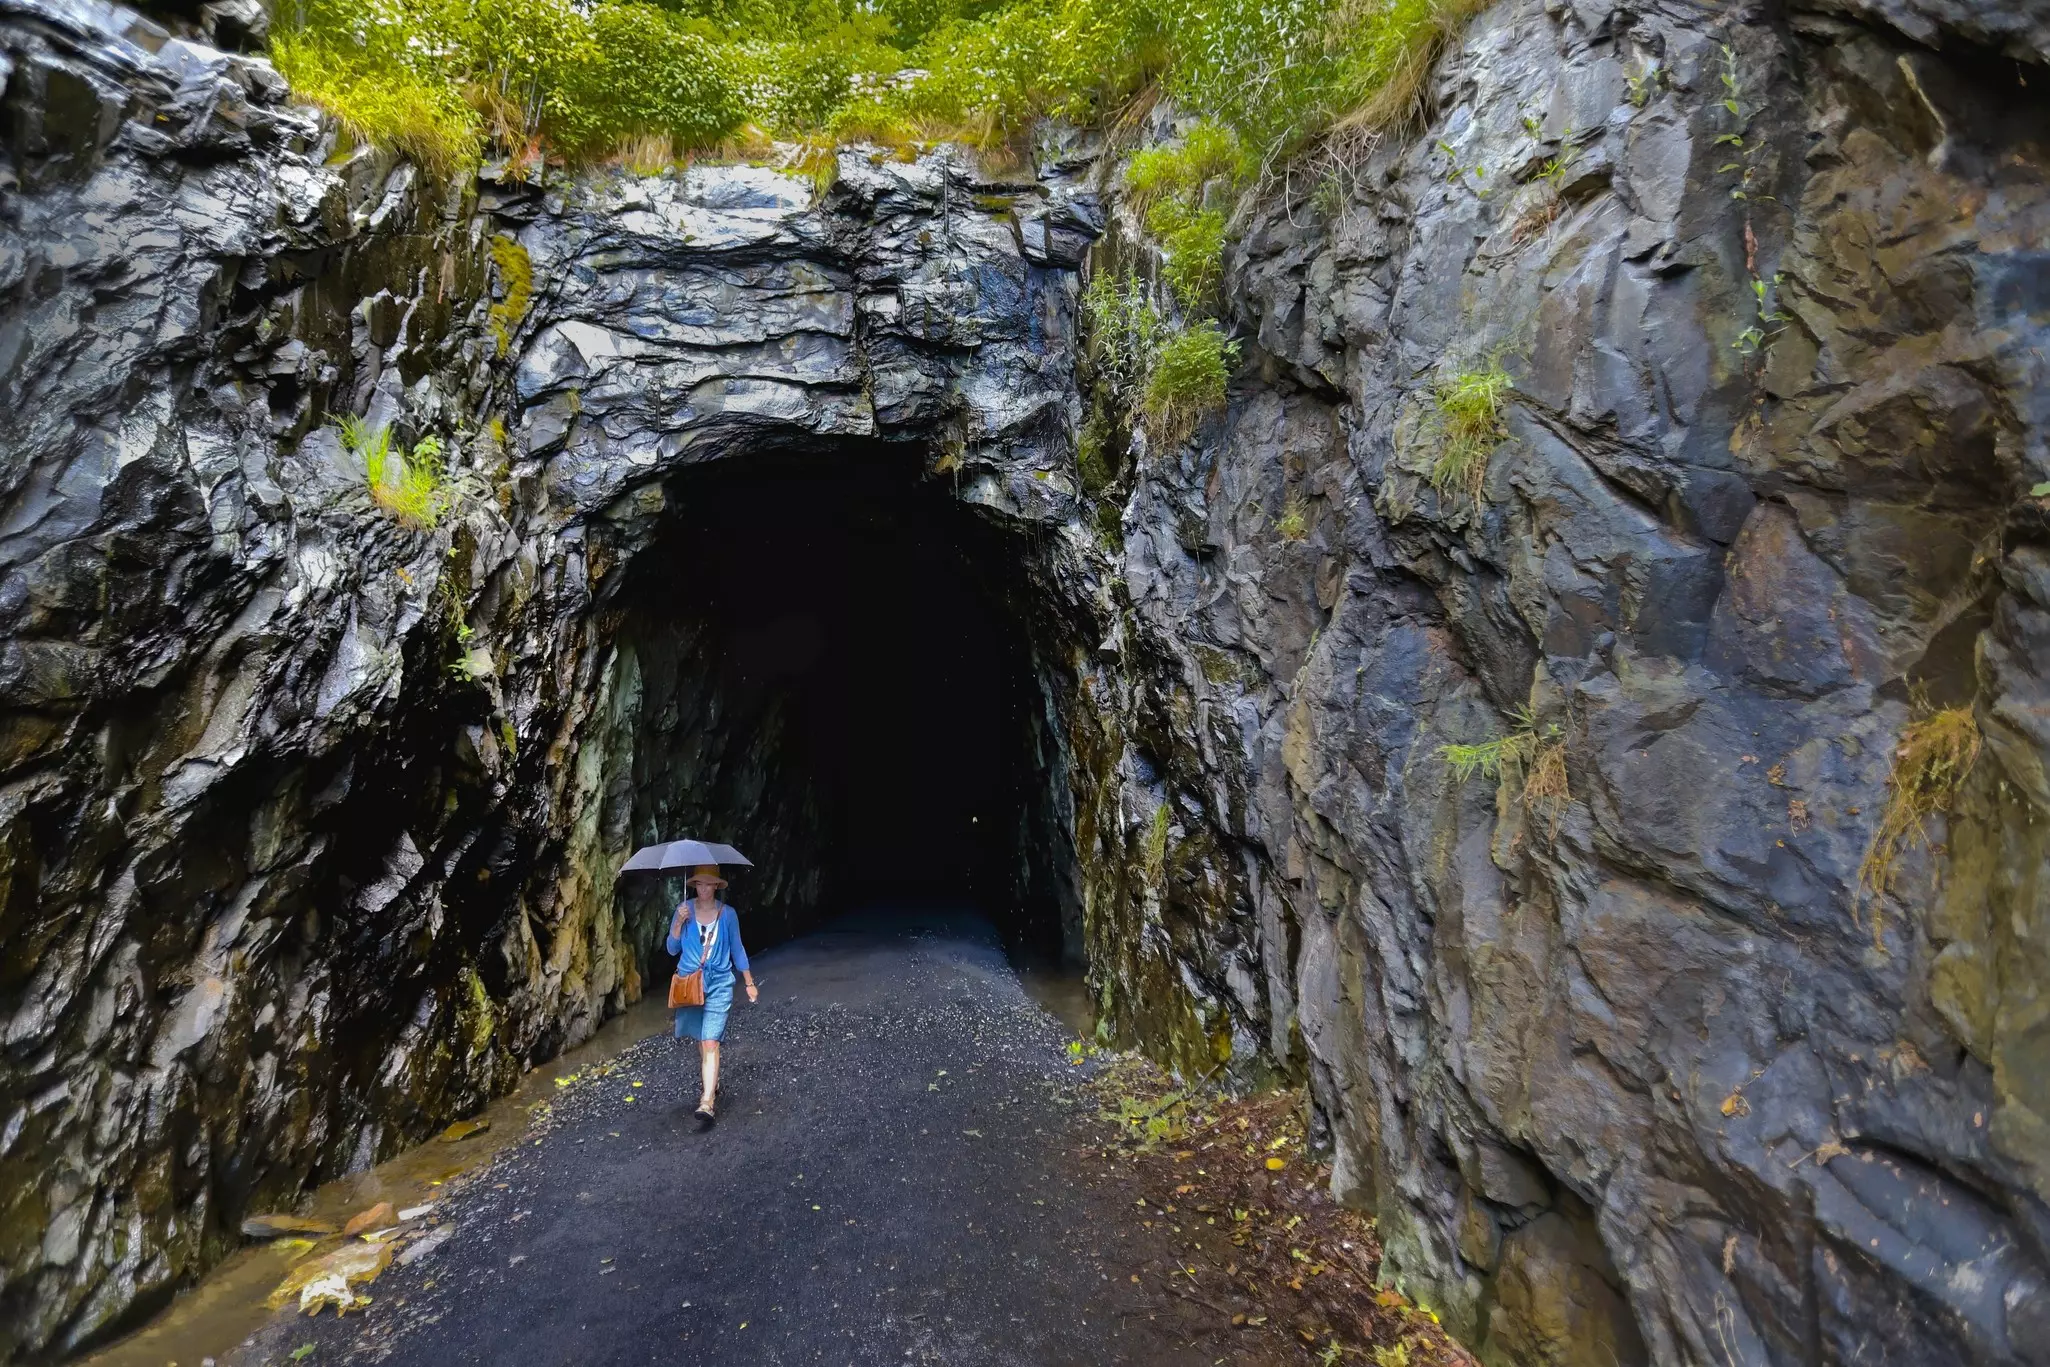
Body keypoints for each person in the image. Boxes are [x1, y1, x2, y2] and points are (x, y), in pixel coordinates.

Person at [667, 864, 757, 1122]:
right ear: (694, 885)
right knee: (700, 1036)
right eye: (699, 884)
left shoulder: (727, 914)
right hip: (690, 983)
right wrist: (678, 924)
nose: (704, 889)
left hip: (719, 982)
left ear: (717, 886)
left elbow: (737, 949)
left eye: (709, 884)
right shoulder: (683, 911)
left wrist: (749, 982)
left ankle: (707, 1100)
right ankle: (712, 1080)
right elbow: (672, 949)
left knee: (710, 1040)